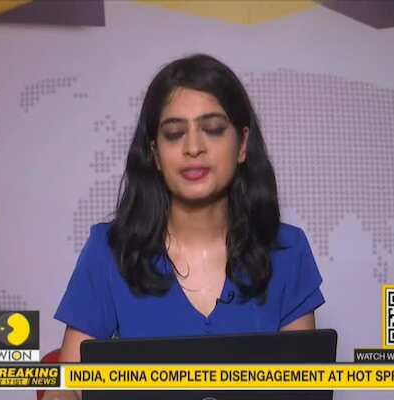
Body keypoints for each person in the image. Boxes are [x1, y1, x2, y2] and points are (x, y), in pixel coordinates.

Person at [45, 54, 325, 399]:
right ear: (155, 154)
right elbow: (69, 388)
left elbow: (300, 393)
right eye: (174, 134)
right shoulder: (109, 250)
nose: (193, 148)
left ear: (242, 145)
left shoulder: (288, 251)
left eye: (213, 129)